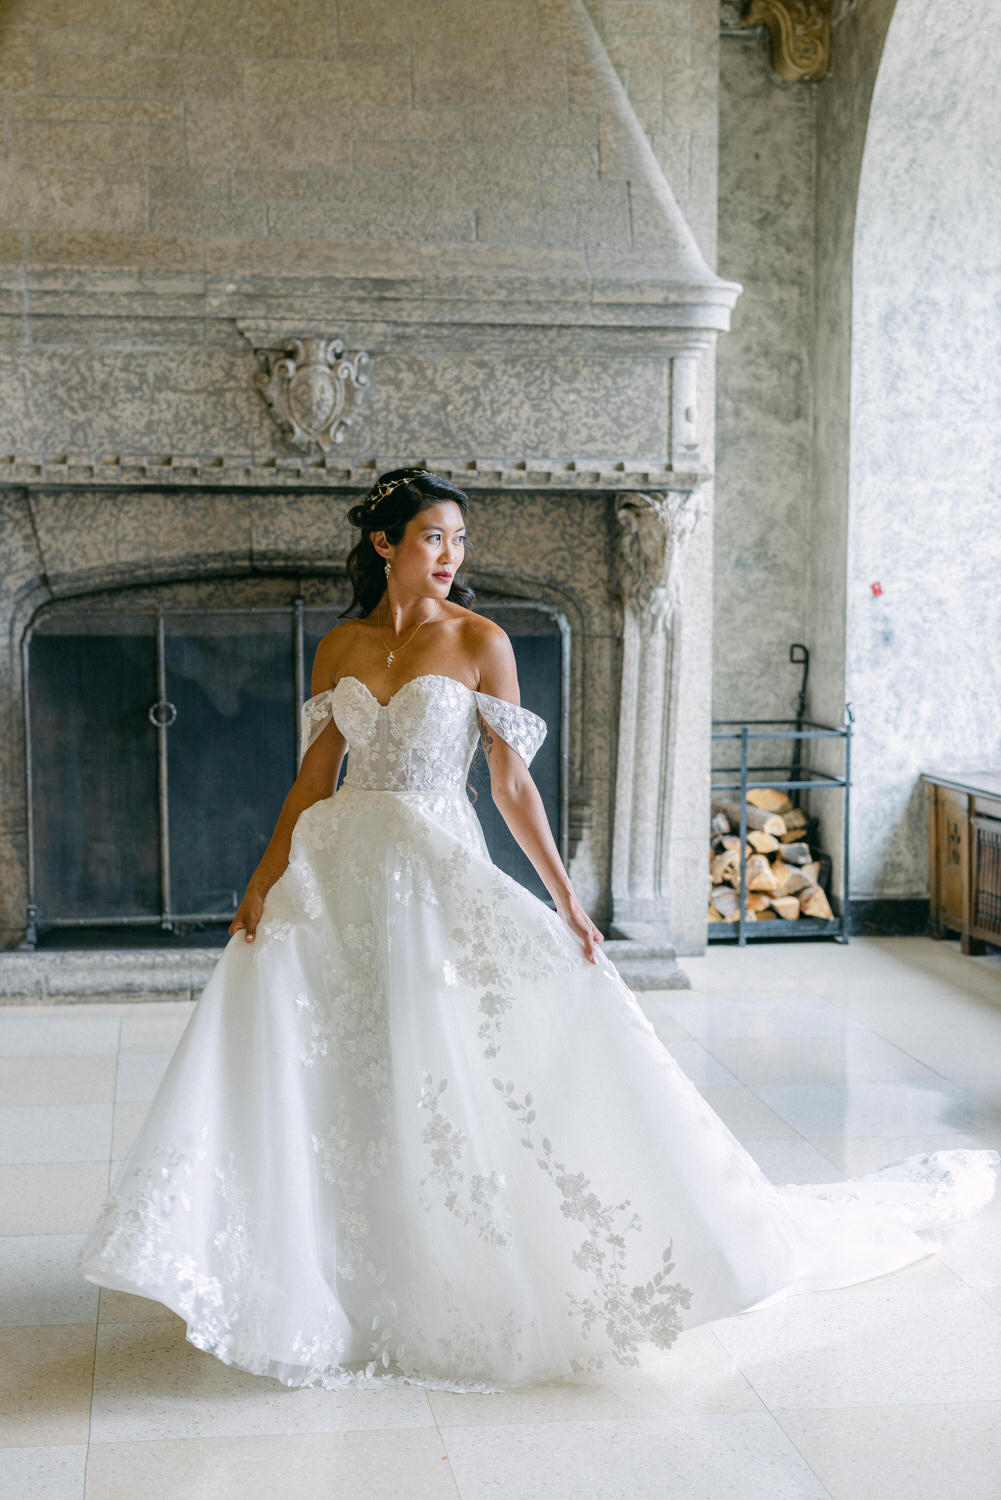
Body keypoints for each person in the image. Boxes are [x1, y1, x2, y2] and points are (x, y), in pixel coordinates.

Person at [78, 467, 999, 1395]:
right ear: (384, 542)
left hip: (434, 865)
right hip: (339, 869)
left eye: (459, 542)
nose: (451, 557)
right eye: (433, 537)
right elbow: (313, 780)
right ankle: (329, 1273)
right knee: (331, 1055)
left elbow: (511, 783)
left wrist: (564, 898)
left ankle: (461, 1263)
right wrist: (262, 879)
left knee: (443, 1055)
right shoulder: (340, 647)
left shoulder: (480, 640)